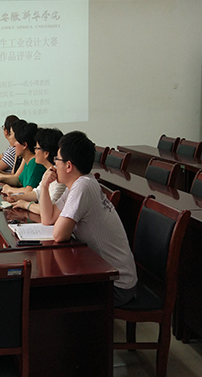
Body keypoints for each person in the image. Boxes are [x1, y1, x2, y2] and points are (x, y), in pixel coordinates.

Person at [39, 131, 137, 306]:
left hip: (116, 285)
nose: (54, 164)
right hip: (104, 275)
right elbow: (48, 219)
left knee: (49, 294)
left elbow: (59, 235)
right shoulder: (78, 183)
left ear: (69, 166)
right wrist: (45, 186)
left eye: (57, 159)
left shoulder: (83, 186)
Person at [3, 127, 66, 214]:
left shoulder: (61, 177)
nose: (34, 151)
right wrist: (17, 198)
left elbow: (49, 209)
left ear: (46, 153)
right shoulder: (48, 171)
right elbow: (37, 192)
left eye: (36, 148)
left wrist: (25, 204)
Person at [0, 121, 45, 189]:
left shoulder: (35, 163)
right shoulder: (28, 161)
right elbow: (19, 180)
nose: (14, 144)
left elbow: (29, 190)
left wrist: (9, 189)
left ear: (24, 145)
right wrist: (1, 178)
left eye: (17, 141)